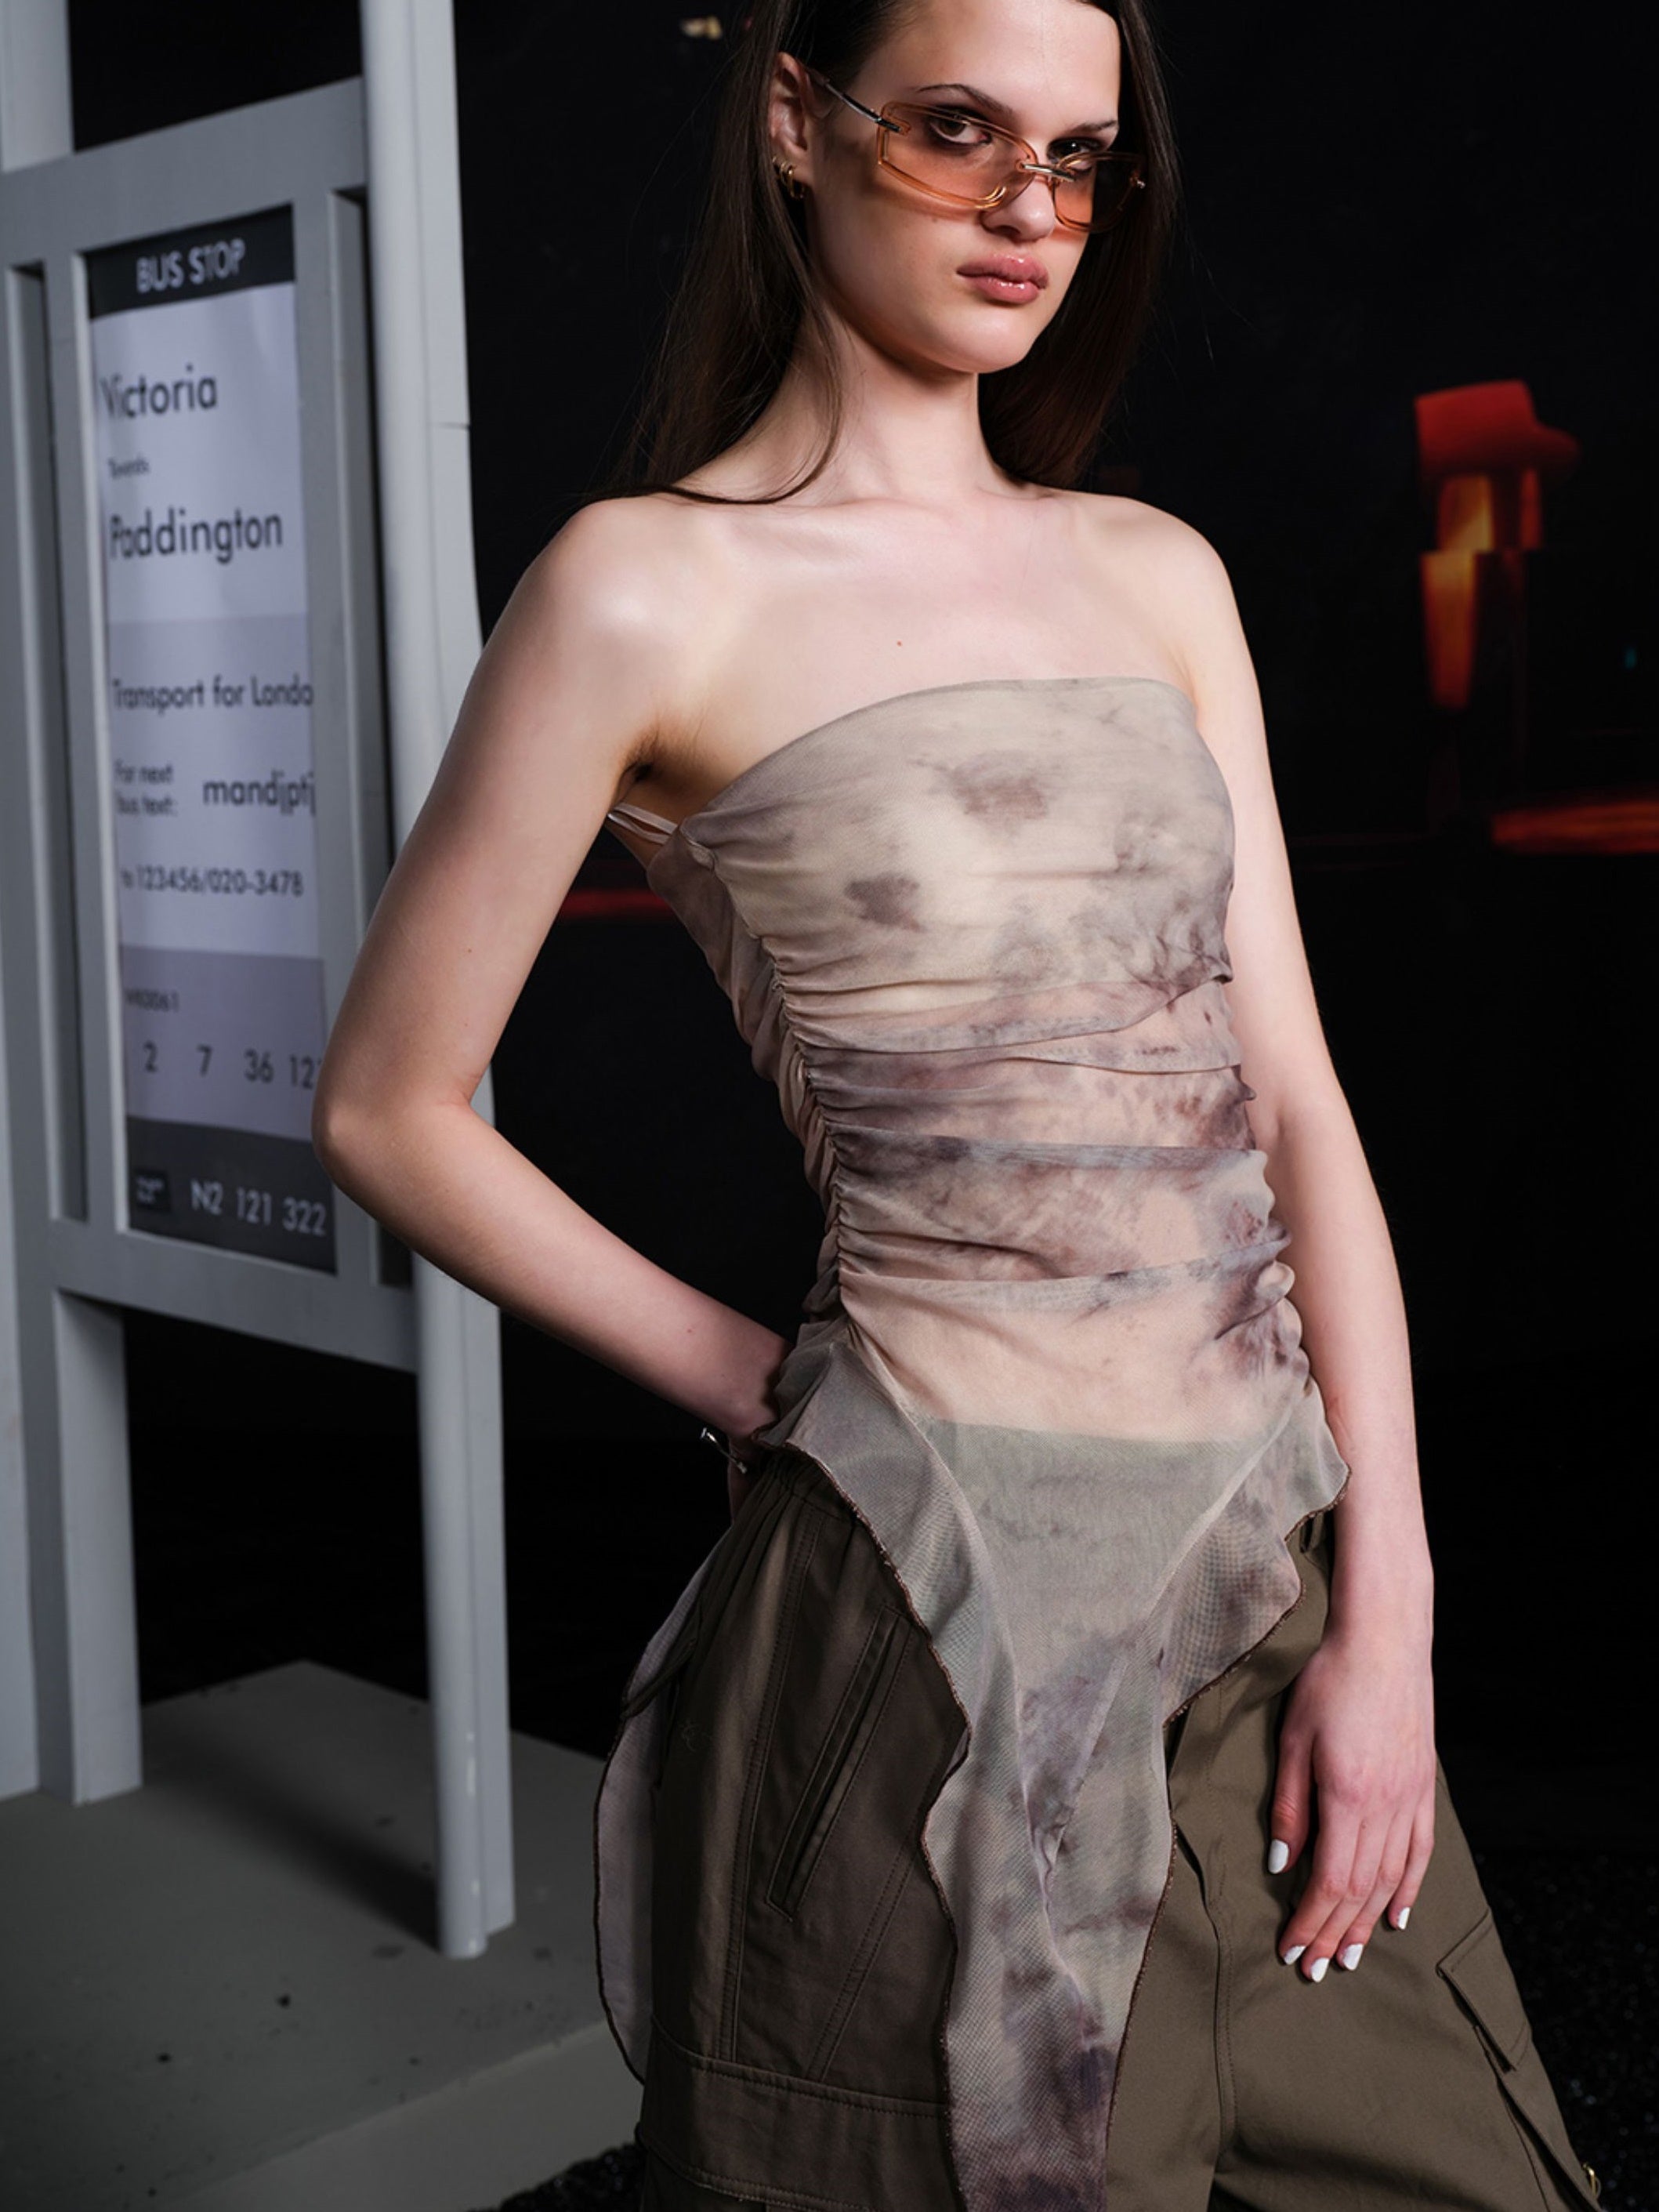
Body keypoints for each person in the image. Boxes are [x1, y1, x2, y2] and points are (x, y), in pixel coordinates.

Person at [312, 1, 1603, 2206]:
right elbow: (387, 1109)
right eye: (956, 131)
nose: (1031, 209)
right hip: (926, 1620)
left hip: (1270, 1584)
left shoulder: (1156, 572)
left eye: (1080, 158)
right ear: (794, 120)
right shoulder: (642, 585)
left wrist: (1386, 1615)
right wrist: (760, 1382)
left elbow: (1296, 1106)